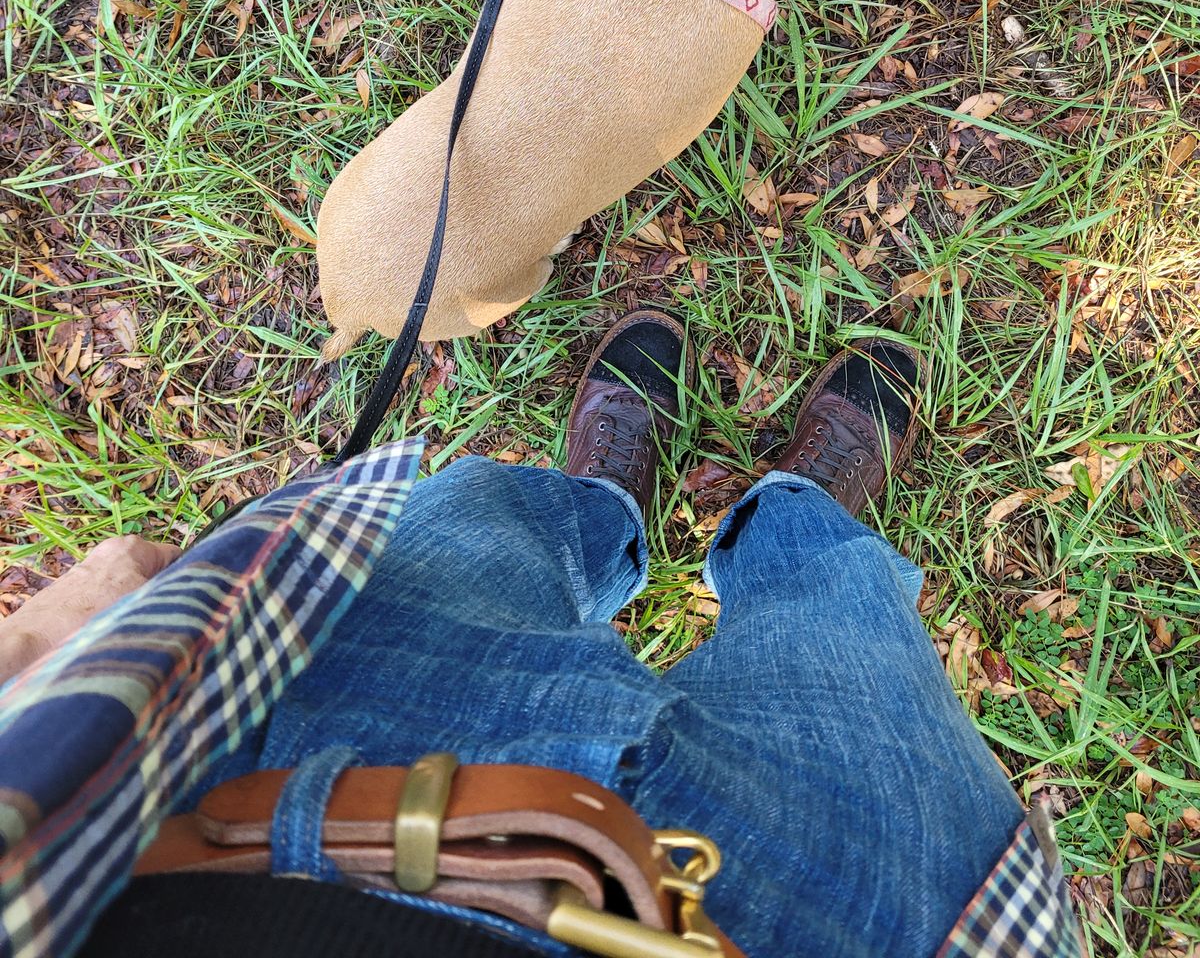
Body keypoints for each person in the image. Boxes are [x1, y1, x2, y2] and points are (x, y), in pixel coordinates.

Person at [0, 310, 1080, 958]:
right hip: (842, 915)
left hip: (250, 774)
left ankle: (599, 506)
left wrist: (63, 644)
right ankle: (801, 509)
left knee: (487, 523)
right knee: (840, 616)